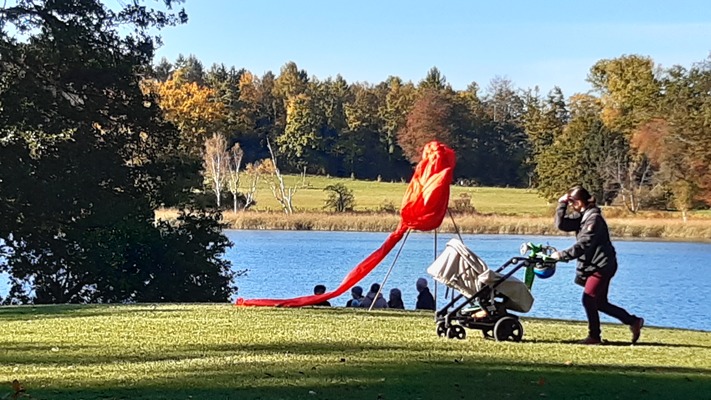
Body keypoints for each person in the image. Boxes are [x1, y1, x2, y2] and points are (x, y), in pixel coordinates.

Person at [550, 186, 644, 345]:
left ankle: (594, 337)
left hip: (602, 265)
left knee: (588, 299)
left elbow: (584, 244)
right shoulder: (583, 217)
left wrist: (561, 255)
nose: (570, 205)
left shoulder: (594, 219)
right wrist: (561, 204)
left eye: (571, 202)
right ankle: (633, 321)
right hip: (598, 265)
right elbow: (562, 225)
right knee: (600, 303)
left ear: (579, 202)